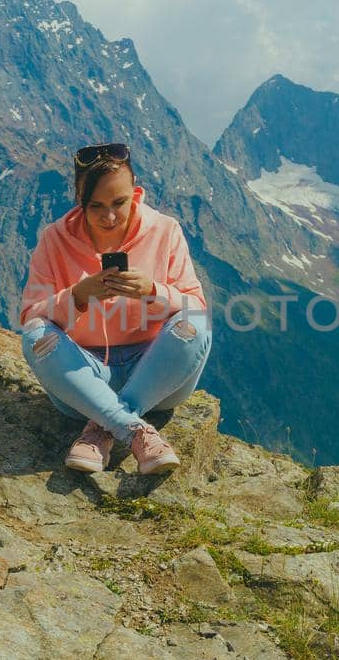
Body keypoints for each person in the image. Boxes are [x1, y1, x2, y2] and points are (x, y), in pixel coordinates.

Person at [19, 142, 212, 474]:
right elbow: (31, 315)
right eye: (96, 206)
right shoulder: (54, 240)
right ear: (80, 202)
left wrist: (154, 291)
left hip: (157, 372)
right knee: (36, 336)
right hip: (85, 375)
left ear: (136, 193)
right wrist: (77, 297)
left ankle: (100, 426)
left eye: (119, 203)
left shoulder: (165, 230)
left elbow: (195, 304)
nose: (109, 217)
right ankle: (134, 429)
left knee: (194, 324)